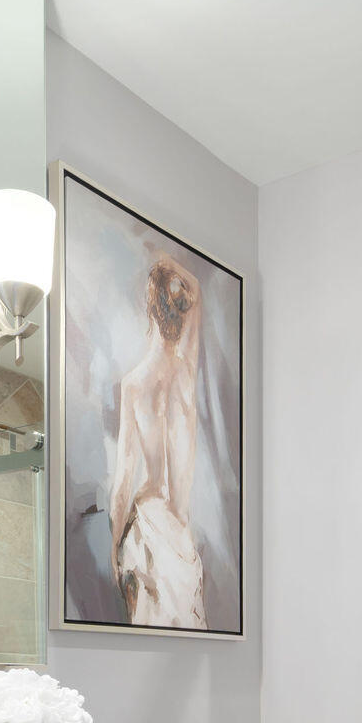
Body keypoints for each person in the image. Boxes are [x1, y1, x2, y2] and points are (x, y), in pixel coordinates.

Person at [109, 254, 207, 627]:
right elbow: (197, 289)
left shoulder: (133, 385)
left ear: (150, 310)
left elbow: (123, 481)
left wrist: (113, 548)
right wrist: (169, 268)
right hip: (178, 534)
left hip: (147, 528)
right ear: (180, 312)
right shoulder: (186, 370)